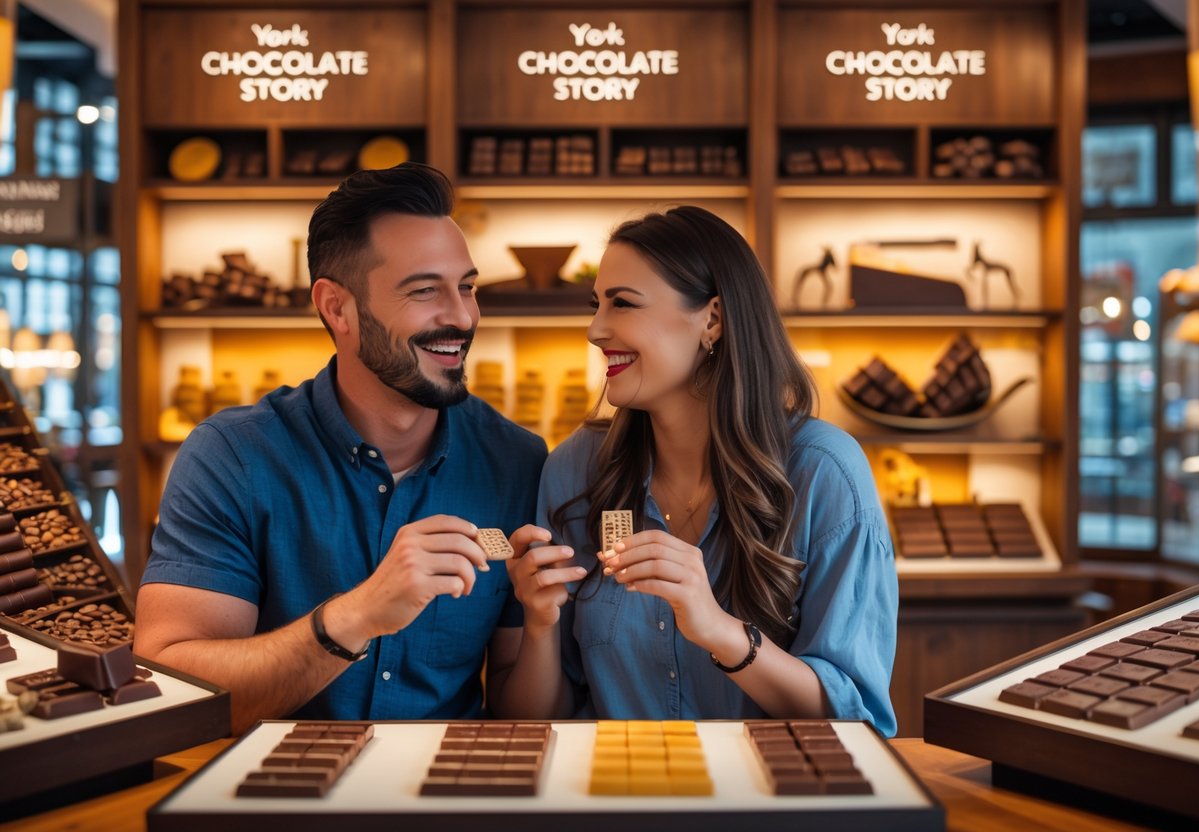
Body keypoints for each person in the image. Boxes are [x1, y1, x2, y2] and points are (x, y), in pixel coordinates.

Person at [134, 163, 556, 734]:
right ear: (337, 308)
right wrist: (353, 617)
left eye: (467, 287)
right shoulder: (232, 457)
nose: (461, 316)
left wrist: (541, 624)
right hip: (279, 805)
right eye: (424, 290)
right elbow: (175, 685)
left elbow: (515, 706)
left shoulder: (517, 462)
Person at [506, 205, 898, 735]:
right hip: (614, 804)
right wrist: (540, 622)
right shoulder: (576, 468)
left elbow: (859, 721)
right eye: (596, 304)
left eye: (622, 304)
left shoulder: (824, 472)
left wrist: (718, 629)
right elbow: (539, 724)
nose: (595, 330)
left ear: (711, 319)